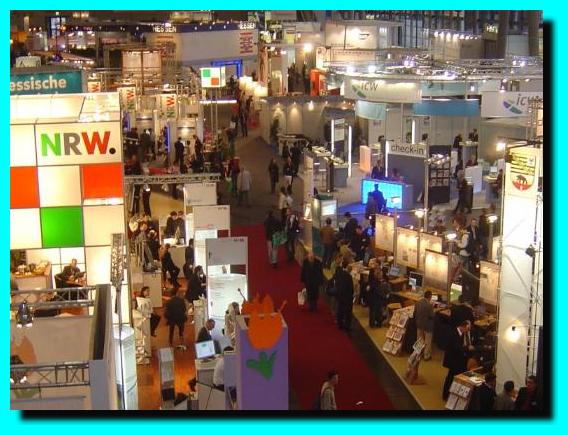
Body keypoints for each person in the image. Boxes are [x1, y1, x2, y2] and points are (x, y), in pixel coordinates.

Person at [442, 320, 471, 401]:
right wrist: (467, 348)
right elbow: (456, 347)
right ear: (463, 327)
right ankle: (446, 395)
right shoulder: (454, 333)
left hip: (456, 360)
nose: (468, 331)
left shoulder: (460, 333)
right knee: (450, 378)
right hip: (452, 360)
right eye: (467, 329)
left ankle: (449, 394)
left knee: (451, 377)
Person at [414, 290, 435, 360]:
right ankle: (426, 356)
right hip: (427, 326)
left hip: (419, 324)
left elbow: (414, 312)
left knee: (419, 340)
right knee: (427, 341)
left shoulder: (418, 302)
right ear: (430, 297)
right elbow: (432, 315)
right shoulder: (429, 305)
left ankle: (417, 354)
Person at [335, 260, 354, 332]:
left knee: (340, 310)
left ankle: (340, 324)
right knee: (348, 312)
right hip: (347, 297)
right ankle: (347, 326)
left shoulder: (340, 273)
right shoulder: (348, 276)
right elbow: (351, 288)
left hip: (340, 295)